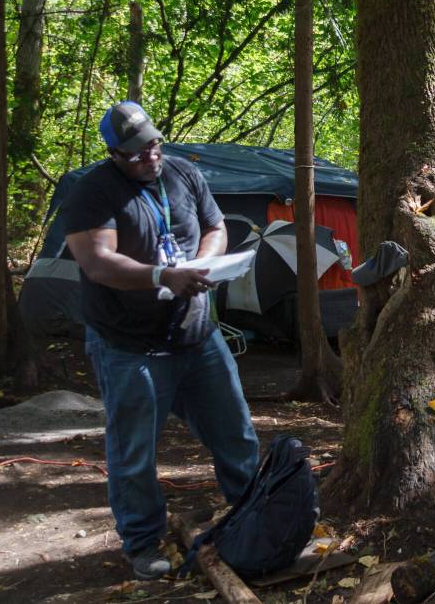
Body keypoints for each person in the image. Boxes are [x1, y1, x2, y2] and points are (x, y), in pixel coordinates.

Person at [60, 101, 259, 580]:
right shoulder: (92, 192)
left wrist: (202, 266)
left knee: (235, 431)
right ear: (113, 153)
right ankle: (143, 541)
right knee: (135, 452)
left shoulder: (182, 175)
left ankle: (253, 515)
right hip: (130, 346)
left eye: (153, 144)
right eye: (136, 152)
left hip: (196, 336)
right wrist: (161, 275)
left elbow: (215, 228)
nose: (149, 156)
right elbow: (99, 263)